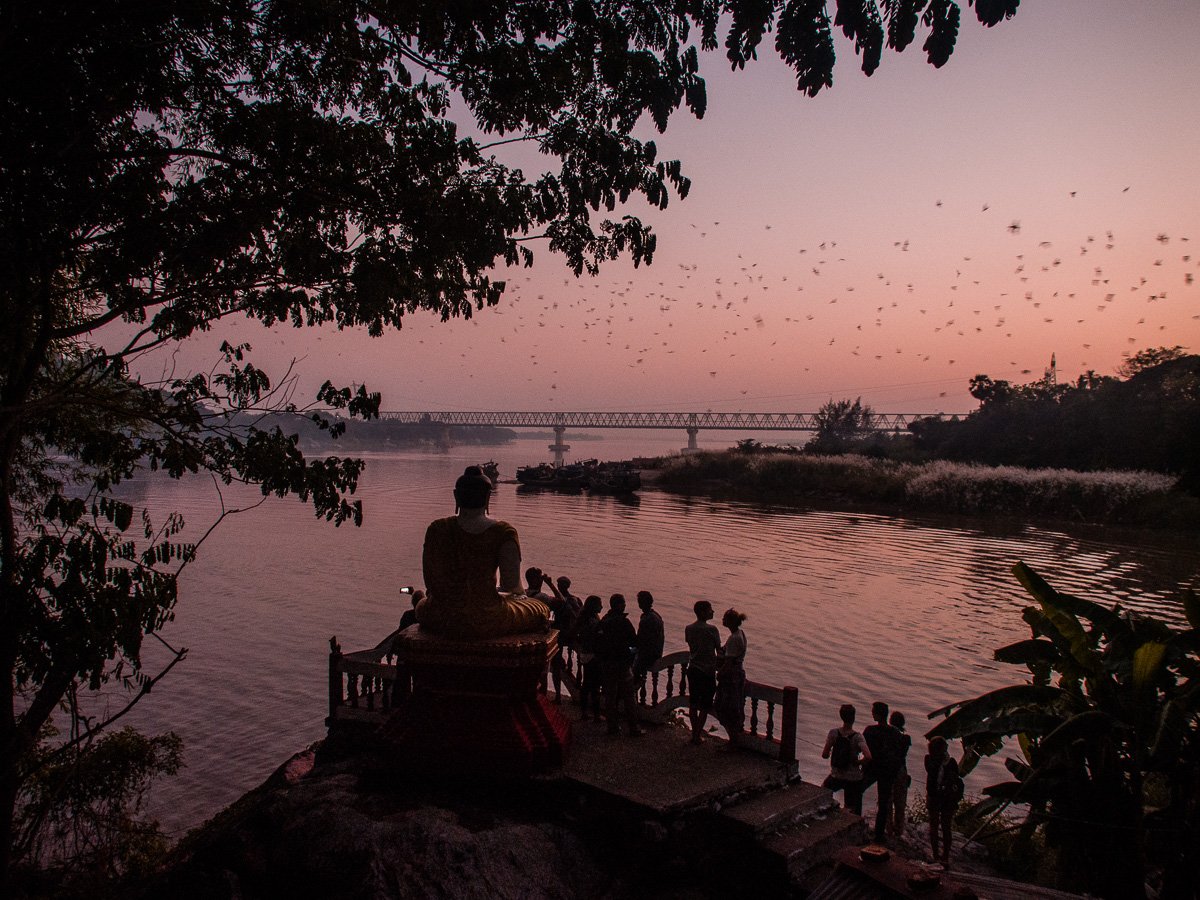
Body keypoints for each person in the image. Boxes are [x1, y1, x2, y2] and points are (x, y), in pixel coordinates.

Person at [415, 467, 550, 639]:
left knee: (420, 602)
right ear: (487, 498)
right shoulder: (503, 532)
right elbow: (512, 586)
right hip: (487, 618)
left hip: (440, 616)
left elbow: (430, 583)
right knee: (539, 607)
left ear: (456, 496)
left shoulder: (437, 529)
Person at [594, 593, 643, 736]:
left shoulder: (604, 621)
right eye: (623, 603)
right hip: (621, 664)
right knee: (629, 696)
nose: (625, 605)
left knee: (610, 696)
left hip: (607, 663)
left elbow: (597, 642)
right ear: (618, 605)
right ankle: (634, 727)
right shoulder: (623, 622)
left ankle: (612, 726)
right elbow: (634, 642)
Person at [861, 701, 905, 843]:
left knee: (857, 791)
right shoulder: (895, 733)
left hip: (873, 769)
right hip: (887, 771)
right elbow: (899, 755)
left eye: (873, 711)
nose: (871, 713)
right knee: (884, 802)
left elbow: (863, 750)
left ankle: (856, 820)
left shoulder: (870, 731)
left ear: (878, 714)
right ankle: (879, 834)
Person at [821, 703, 872, 815]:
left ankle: (827, 812)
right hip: (854, 778)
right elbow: (868, 756)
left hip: (836, 775)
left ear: (841, 716)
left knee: (822, 791)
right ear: (853, 718)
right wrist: (858, 762)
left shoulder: (833, 733)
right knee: (854, 808)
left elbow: (824, 755)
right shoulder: (858, 737)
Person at [684, 600, 721, 745]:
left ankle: (695, 734)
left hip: (693, 669)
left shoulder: (689, 628)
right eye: (710, 610)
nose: (713, 612)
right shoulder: (712, 630)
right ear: (703, 612)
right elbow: (718, 650)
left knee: (693, 703)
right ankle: (696, 735)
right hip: (707, 671)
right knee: (705, 705)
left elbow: (692, 646)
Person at [925, 736, 962, 866]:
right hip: (939, 797)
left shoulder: (931, 760)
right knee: (939, 827)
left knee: (941, 827)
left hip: (942, 798)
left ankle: (941, 855)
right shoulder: (939, 761)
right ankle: (939, 855)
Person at [713, 608, 748, 746]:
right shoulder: (740, 634)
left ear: (730, 622)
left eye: (724, 618)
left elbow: (729, 662)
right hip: (737, 673)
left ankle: (733, 741)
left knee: (725, 707)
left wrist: (720, 673)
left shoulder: (734, 638)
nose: (722, 620)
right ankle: (733, 740)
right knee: (732, 707)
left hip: (731, 676)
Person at [567, 595, 604, 719]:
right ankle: (596, 714)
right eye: (600, 604)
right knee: (594, 686)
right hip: (593, 655)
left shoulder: (583, 618)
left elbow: (574, 633)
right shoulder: (592, 621)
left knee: (587, 684)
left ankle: (585, 712)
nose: (602, 607)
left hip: (585, 654)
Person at [888, 711, 913, 838]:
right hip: (901, 770)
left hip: (890, 769)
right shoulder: (906, 738)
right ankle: (898, 830)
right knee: (900, 802)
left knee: (888, 800)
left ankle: (888, 828)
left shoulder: (888, 736)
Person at [633, 590, 665, 684]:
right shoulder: (656, 615)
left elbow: (641, 641)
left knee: (628, 653)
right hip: (656, 652)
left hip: (648, 655)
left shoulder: (647, 619)